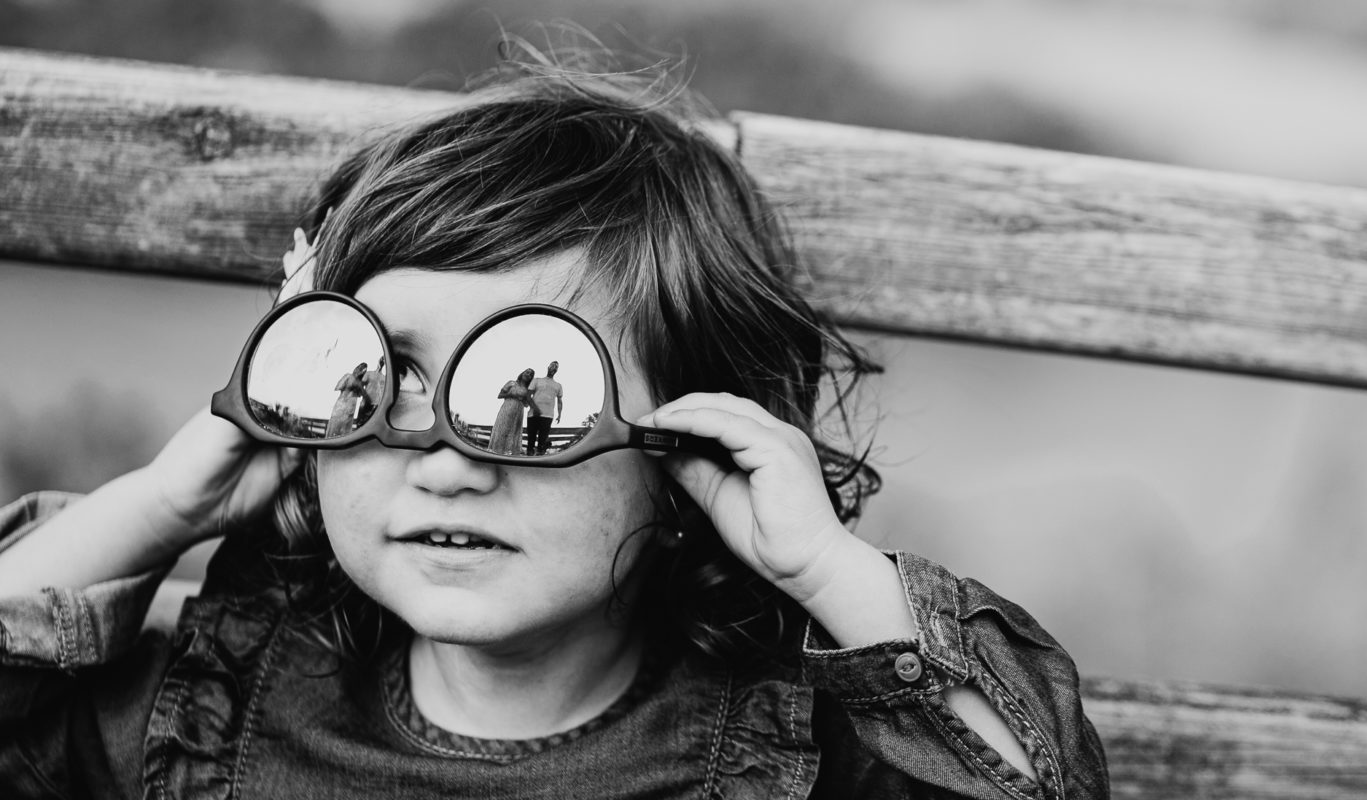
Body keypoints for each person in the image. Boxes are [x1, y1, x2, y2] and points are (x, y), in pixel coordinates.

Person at [0, 45, 1108, 799]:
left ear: (693, 444)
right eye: (374, 380)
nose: (441, 462)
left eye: (532, 396)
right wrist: (159, 504)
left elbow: (1030, 779)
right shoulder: (219, 694)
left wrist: (820, 563)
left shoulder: (782, 740)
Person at [489, 368, 535, 455]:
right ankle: (496, 451)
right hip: (507, 408)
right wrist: (510, 394)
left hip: (518, 411)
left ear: (530, 379)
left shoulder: (527, 389)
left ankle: (509, 452)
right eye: (527, 372)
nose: (528, 375)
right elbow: (499, 395)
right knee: (503, 428)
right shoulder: (511, 383)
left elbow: (526, 405)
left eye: (530, 375)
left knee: (513, 430)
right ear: (522, 373)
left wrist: (525, 399)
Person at [526, 360, 563, 455]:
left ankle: (539, 460)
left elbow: (559, 401)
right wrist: (535, 409)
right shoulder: (537, 380)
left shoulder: (558, 386)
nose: (554, 367)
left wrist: (559, 415)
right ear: (548, 367)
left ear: (557, 371)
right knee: (531, 440)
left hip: (548, 415)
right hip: (533, 415)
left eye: (556, 367)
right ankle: (528, 460)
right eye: (552, 365)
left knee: (542, 441)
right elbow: (528, 396)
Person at [326, 361, 369, 436]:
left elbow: (364, 395)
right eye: (361, 368)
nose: (362, 371)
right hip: (341, 406)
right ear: (357, 368)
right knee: (334, 427)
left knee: (345, 430)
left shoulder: (360, 383)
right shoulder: (348, 376)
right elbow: (338, 387)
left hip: (350, 409)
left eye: (364, 370)